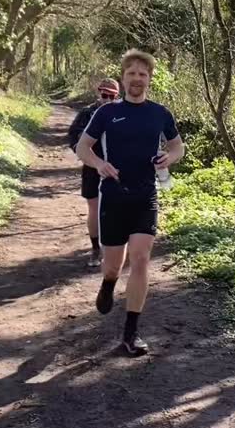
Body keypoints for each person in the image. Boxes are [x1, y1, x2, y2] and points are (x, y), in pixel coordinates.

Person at [76, 48, 184, 356]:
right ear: (123, 79)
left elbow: (178, 146)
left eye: (143, 74)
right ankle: (109, 283)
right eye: (132, 73)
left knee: (140, 259)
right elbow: (83, 147)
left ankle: (130, 333)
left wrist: (170, 156)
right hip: (113, 196)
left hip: (145, 195)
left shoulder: (160, 113)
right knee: (114, 266)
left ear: (150, 79)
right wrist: (99, 164)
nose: (137, 79)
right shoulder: (106, 113)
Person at [68, 77, 119, 267]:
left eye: (111, 96)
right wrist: (85, 149)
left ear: (117, 96)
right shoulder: (87, 113)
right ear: (98, 93)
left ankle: (114, 247)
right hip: (92, 167)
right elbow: (73, 137)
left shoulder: (123, 114)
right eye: (104, 95)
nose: (107, 99)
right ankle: (95, 249)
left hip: (116, 168)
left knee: (116, 209)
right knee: (94, 209)